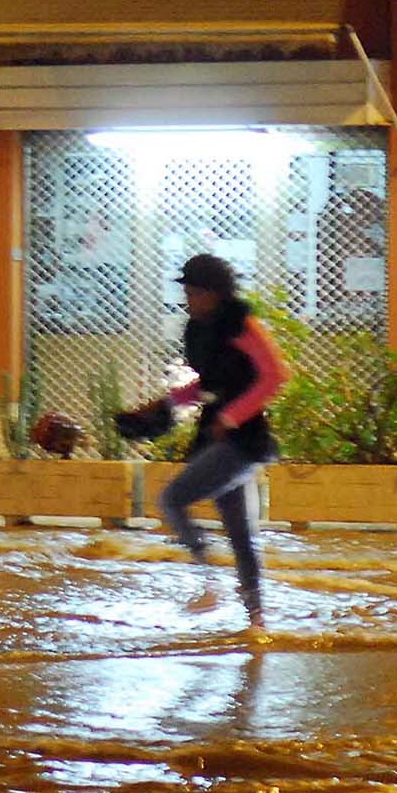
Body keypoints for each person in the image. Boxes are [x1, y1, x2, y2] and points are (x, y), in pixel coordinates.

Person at [136, 253, 289, 630]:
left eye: (194, 291)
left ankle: (210, 581)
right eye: (186, 291)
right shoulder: (197, 329)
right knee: (240, 534)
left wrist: (230, 417)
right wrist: (167, 403)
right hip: (218, 435)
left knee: (172, 500)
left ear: (215, 293)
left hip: (244, 440)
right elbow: (207, 382)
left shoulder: (242, 324)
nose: (188, 298)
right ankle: (257, 623)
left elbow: (275, 376)